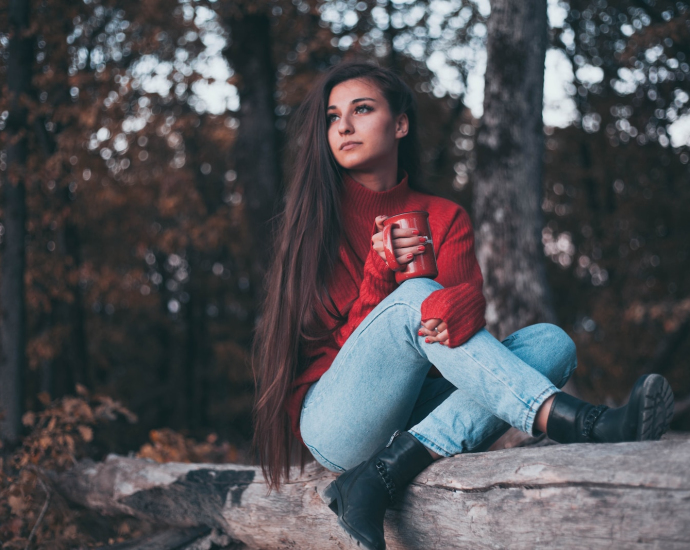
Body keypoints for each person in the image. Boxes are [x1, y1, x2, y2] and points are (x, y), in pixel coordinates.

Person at [251, 61, 675, 550]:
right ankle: (582, 421)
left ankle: (382, 477)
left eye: (361, 109)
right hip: (336, 422)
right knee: (413, 298)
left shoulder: (445, 217)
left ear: (401, 123)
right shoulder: (313, 226)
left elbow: (453, 348)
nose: (343, 126)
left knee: (550, 343)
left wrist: (467, 303)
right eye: (332, 116)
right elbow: (345, 344)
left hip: (414, 415)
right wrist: (378, 275)